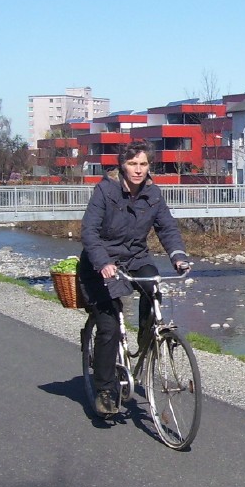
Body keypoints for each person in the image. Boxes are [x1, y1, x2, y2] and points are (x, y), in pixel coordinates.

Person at [77, 140, 190, 417]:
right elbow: (89, 231)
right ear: (122, 166)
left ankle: (146, 334)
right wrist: (103, 262)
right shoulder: (105, 190)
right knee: (109, 327)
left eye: (143, 164)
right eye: (132, 164)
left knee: (153, 284)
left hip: (135, 259)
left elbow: (167, 228)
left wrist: (177, 256)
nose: (138, 170)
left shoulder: (153, 193)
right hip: (100, 263)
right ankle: (105, 390)